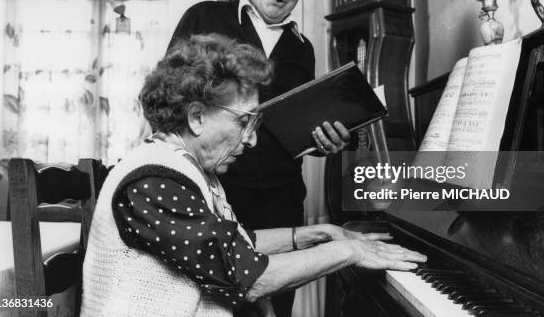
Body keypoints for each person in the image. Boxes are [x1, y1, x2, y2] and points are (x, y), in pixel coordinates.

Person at [81, 34, 426, 317]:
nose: (252, 138)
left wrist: (318, 233)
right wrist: (350, 252)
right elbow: (249, 276)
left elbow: (233, 242)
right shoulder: (154, 182)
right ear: (197, 116)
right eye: (244, 121)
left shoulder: (182, 166)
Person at [168, 0, 349, 316]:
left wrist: (323, 141)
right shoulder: (204, 16)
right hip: (214, 191)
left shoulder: (303, 48)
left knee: (273, 309)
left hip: (280, 203)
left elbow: (298, 123)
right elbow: (169, 95)